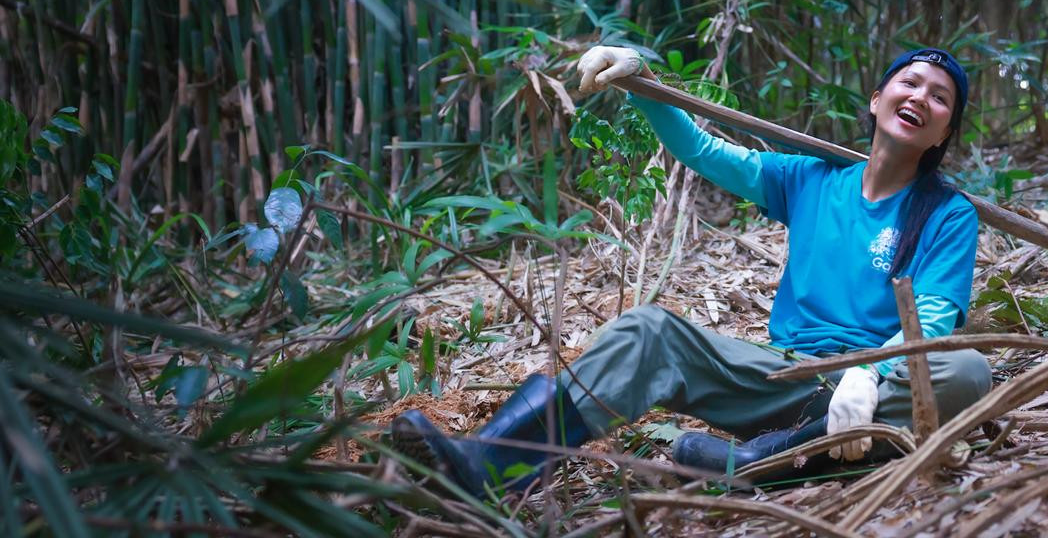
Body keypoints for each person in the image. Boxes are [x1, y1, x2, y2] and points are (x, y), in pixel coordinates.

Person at [391, 45, 991, 496]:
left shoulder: (949, 214)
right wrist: (643, 83)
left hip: (871, 390)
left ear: (945, 130)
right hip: (786, 378)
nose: (920, 97)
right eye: (908, 82)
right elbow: (705, 152)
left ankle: (763, 461)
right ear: (876, 98)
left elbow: (933, 317)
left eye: (940, 97)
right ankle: (495, 464)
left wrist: (871, 372)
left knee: (967, 372)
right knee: (650, 330)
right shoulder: (808, 178)